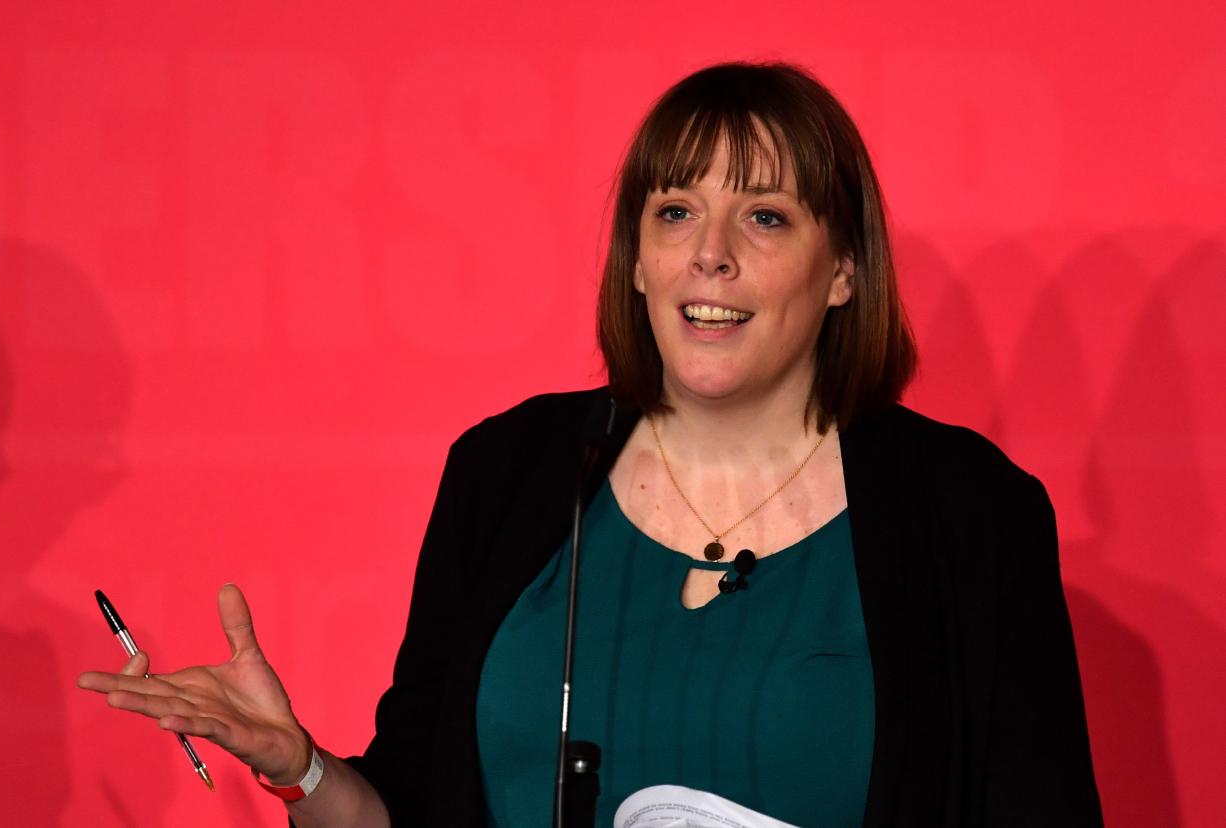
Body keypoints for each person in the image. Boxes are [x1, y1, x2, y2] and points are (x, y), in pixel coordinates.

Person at [78, 61, 1103, 827]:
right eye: (676, 211)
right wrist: (298, 766)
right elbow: (411, 810)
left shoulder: (966, 513)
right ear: (640, 263)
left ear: (842, 272)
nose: (711, 253)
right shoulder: (512, 472)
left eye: (766, 218)